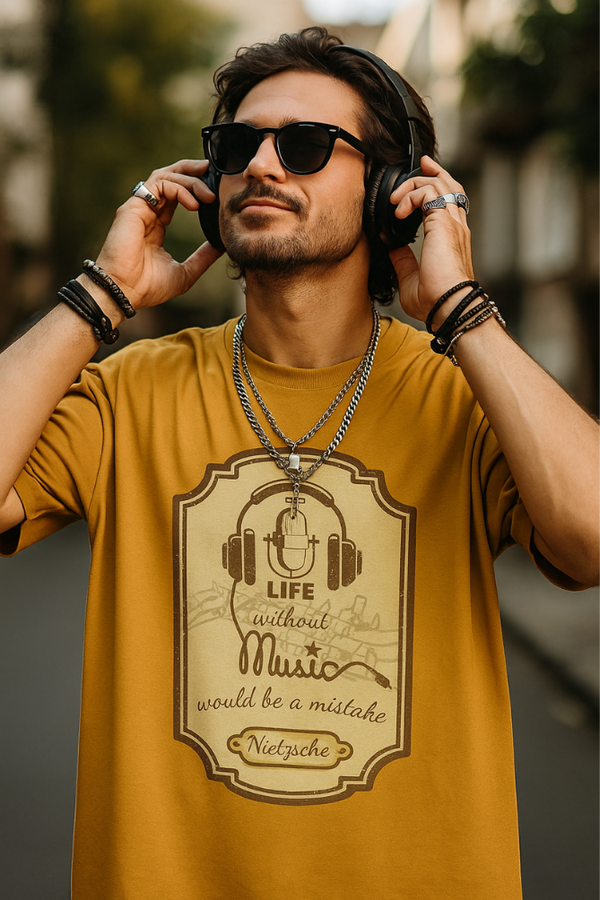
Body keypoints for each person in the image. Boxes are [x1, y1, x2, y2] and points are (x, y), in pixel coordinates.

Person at [0, 26, 597, 900]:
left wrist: (464, 312)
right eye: (239, 145)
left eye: (307, 145)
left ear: (390, 190)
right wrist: (100, 295)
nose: (264, 166)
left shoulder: (461, 397)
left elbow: (589, 539)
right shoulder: (131, 394)